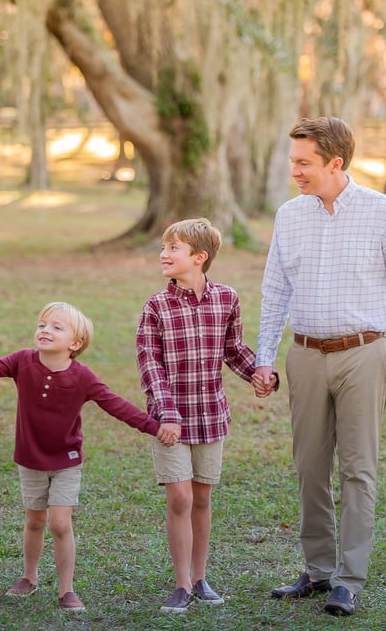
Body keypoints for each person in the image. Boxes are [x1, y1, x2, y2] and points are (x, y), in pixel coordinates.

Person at [255, 116, 386, 616]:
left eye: (304, 162)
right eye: (293, 161)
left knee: (358, 469)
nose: (294, 170)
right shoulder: (289, 216)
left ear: (334, 163)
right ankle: (318, 571)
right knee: (309, 468)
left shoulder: (382, 212)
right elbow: (275, 291)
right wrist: (264, 358)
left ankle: (349, 578)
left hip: (364, 354)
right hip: (305, 355)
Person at [0, 301, 180, 612]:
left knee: (60, 524)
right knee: (34, 520)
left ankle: (67, 590)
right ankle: (29, 577)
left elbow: (117, 406)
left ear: (75, 344)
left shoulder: (83, 377)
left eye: (56, 327)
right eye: (42, 325)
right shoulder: (22, 361)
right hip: (30, 459)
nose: (45, 330)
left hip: (66, 461)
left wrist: (154, 427)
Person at [136, 218, 278, 615]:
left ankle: (200, 579)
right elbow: (150, 364)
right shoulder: (156, 306)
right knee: (179, 497)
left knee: (201, 497)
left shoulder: (227, 299)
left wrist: (259, 373)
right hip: (170, 419)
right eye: (164, 247)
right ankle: (181, 583)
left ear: (199, 258)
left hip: (210, 414)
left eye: (173, 248)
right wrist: (165, 412)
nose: (164, 254)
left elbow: (233, 350)